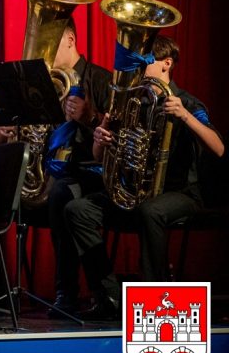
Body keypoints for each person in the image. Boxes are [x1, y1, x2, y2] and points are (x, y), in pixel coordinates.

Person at [64, 36, 223, 320]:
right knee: (78, 209)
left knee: (151, 211)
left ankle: (155, 300)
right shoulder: (132, 102)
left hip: (180, 194)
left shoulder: (187, 103)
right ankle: (109, 296)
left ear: (166, 64)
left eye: (144, 63)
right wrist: (100, 139)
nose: (137, 69)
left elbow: (219, 148)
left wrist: (185, 116)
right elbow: (100, 157)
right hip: (136, 192)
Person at [40, 19, 112, 316]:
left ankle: (67, 293)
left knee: (61, 195)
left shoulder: (100, 79)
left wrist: (88, 118)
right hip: (59, 170)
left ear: (70, 39)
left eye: (49, 42)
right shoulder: (47, 83)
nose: (43, 50)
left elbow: (115, 138)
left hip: (95, 174)